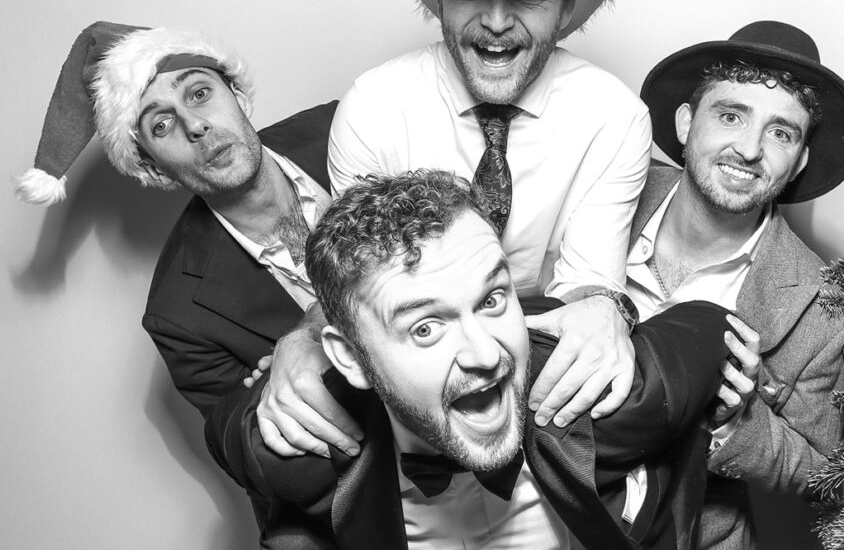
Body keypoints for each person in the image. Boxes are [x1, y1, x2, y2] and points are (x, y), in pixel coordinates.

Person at [257, 0, 654, 462]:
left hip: (539, 358)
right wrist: (304, 334)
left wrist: (603, 307)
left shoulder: (615, 115)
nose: (495, 23)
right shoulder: (375, 106)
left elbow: (585, 289)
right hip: (413, 367)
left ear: (568, 1)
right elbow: (365, 283)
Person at [208, 170, 737, 549]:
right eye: (425, 327)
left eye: (491, 300)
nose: (486, 354)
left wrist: (604, 306)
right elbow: (226, 433)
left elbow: (706, 327)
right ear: (350, 359)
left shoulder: (597, 397)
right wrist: (288, 351)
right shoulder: (302, 451)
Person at [15, 21, 344, 532]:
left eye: (199, 93)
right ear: (153, 168)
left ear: (236, 94)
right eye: (161, 126)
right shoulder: (178, 315)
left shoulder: (352, 126)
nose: (195, 125)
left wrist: (303, 342)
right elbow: (276, 469)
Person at [631, 21, 844, 549]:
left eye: (781, 132)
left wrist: (738, 422)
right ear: (687, 122)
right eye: (731, 115)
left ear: (800, 158)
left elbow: (826, 473)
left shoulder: (824, 307)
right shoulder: (603, 188)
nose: (750, 149)